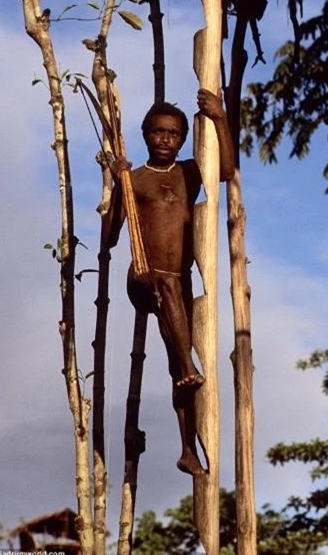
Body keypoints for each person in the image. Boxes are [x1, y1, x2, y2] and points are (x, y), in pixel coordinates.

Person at [112, 89, 235, 475]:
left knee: (180, 370)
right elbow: (109, 237)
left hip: (178, 285)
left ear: (182, 138)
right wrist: (118, 184)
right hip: (144, 278)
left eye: (174, 134)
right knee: (168, 300)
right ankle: (186, 364)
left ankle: (187, 450)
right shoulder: (135, 179)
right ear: (145, 133)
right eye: (158, 132)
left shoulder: (187, 173)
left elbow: (227, 172)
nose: (165, 139)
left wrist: (218, 118)